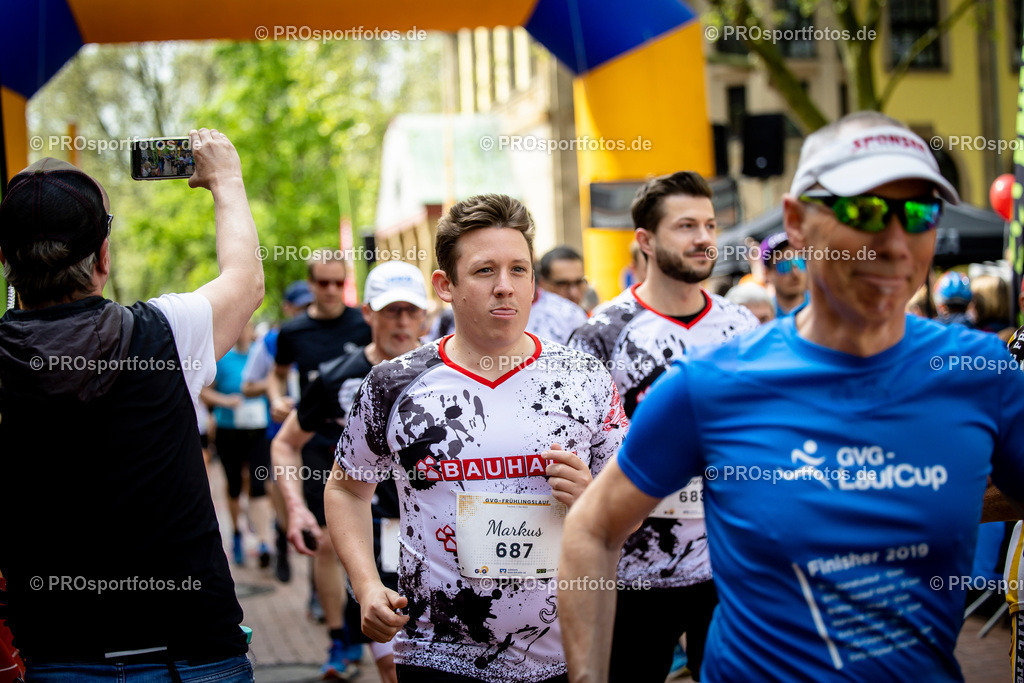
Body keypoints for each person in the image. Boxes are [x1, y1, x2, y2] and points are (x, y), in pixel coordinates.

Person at [559, 111, 1024, 682]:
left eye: (920, 212)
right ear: (797, 223)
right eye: (865, 210)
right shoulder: (713, 383)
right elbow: (593, 526)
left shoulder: (980, 371)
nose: (897, 242)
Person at [326, 194, 628, 683]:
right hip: (439, 653)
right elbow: (345, 487)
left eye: (520, 270)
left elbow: (630, 505)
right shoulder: (394, 383)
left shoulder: (585, 377)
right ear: (446, 285)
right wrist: (366, 586)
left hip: (566, 650)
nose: (505, 288)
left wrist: (593, 498)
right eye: (486, 271)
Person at [0, 128, 263, 680]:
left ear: (6, 260)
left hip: (58, 655)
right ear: (103, 256)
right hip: (194, 653)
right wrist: (226, 180)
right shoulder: (166, 333)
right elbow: (245, 280)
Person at [567, 171, 758, 682]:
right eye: (686, 226)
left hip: (728, 563)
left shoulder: (742, 328)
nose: (703, 238)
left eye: (711, 225)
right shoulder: (600, 333)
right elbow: (573, 443)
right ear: (645, 241)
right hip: (633, 569)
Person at [273, 260, 429, 683]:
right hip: (374, 538)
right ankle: (338, 639)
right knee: (395, 668)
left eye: (411, 310)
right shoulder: (338, 378)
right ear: (367, 313)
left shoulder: (448, 373)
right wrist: (296, 508)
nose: (402, 321)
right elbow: (285, 443)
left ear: (425, 316)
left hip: (438, 543)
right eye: (391, 310)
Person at [267, 250, 371, 672]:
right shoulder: (293, 331)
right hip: (315, 444)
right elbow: (278, 372)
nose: (330, 290)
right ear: (310, 285)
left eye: (337, 282)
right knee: (327, 543)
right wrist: (277, 399)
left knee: (362, 543)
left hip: (365, 448)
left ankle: (359, 622)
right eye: (322, 283)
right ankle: (336, 639)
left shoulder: (363, 324)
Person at [242, 279, 314, 583]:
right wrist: (276, 397)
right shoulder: (271, 342)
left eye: (308, 306)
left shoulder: (320, 336)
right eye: (299, 307)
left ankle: (316, 587)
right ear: (287, 308)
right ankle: (282, 543)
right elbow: (248, 385)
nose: (304, 312)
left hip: (319, 434)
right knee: (286, 497)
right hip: (282, 436)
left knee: (320, 507)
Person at [202, 320, 273, 568]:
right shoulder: (221, 357)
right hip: (228, 430)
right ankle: (236, 534)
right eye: (240, 325)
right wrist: (225, 400)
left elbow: (277, 382)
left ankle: (264, 541)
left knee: (258, 482)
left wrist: (265, 390)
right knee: (233, 485)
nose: (243, 330)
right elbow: (205, 391)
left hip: (258, 429)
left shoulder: (261, 356)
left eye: (248, 325)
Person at [526, 249, 588, 344]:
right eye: (562, 284)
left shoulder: (576, 316)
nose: (574, 293)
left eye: (579, 282)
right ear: (542, 282)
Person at [761, 231, 809, 316]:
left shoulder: (824, 306)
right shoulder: (765, 316)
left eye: (799, 262)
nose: (795, 273)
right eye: (784, 266)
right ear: (767, 274)